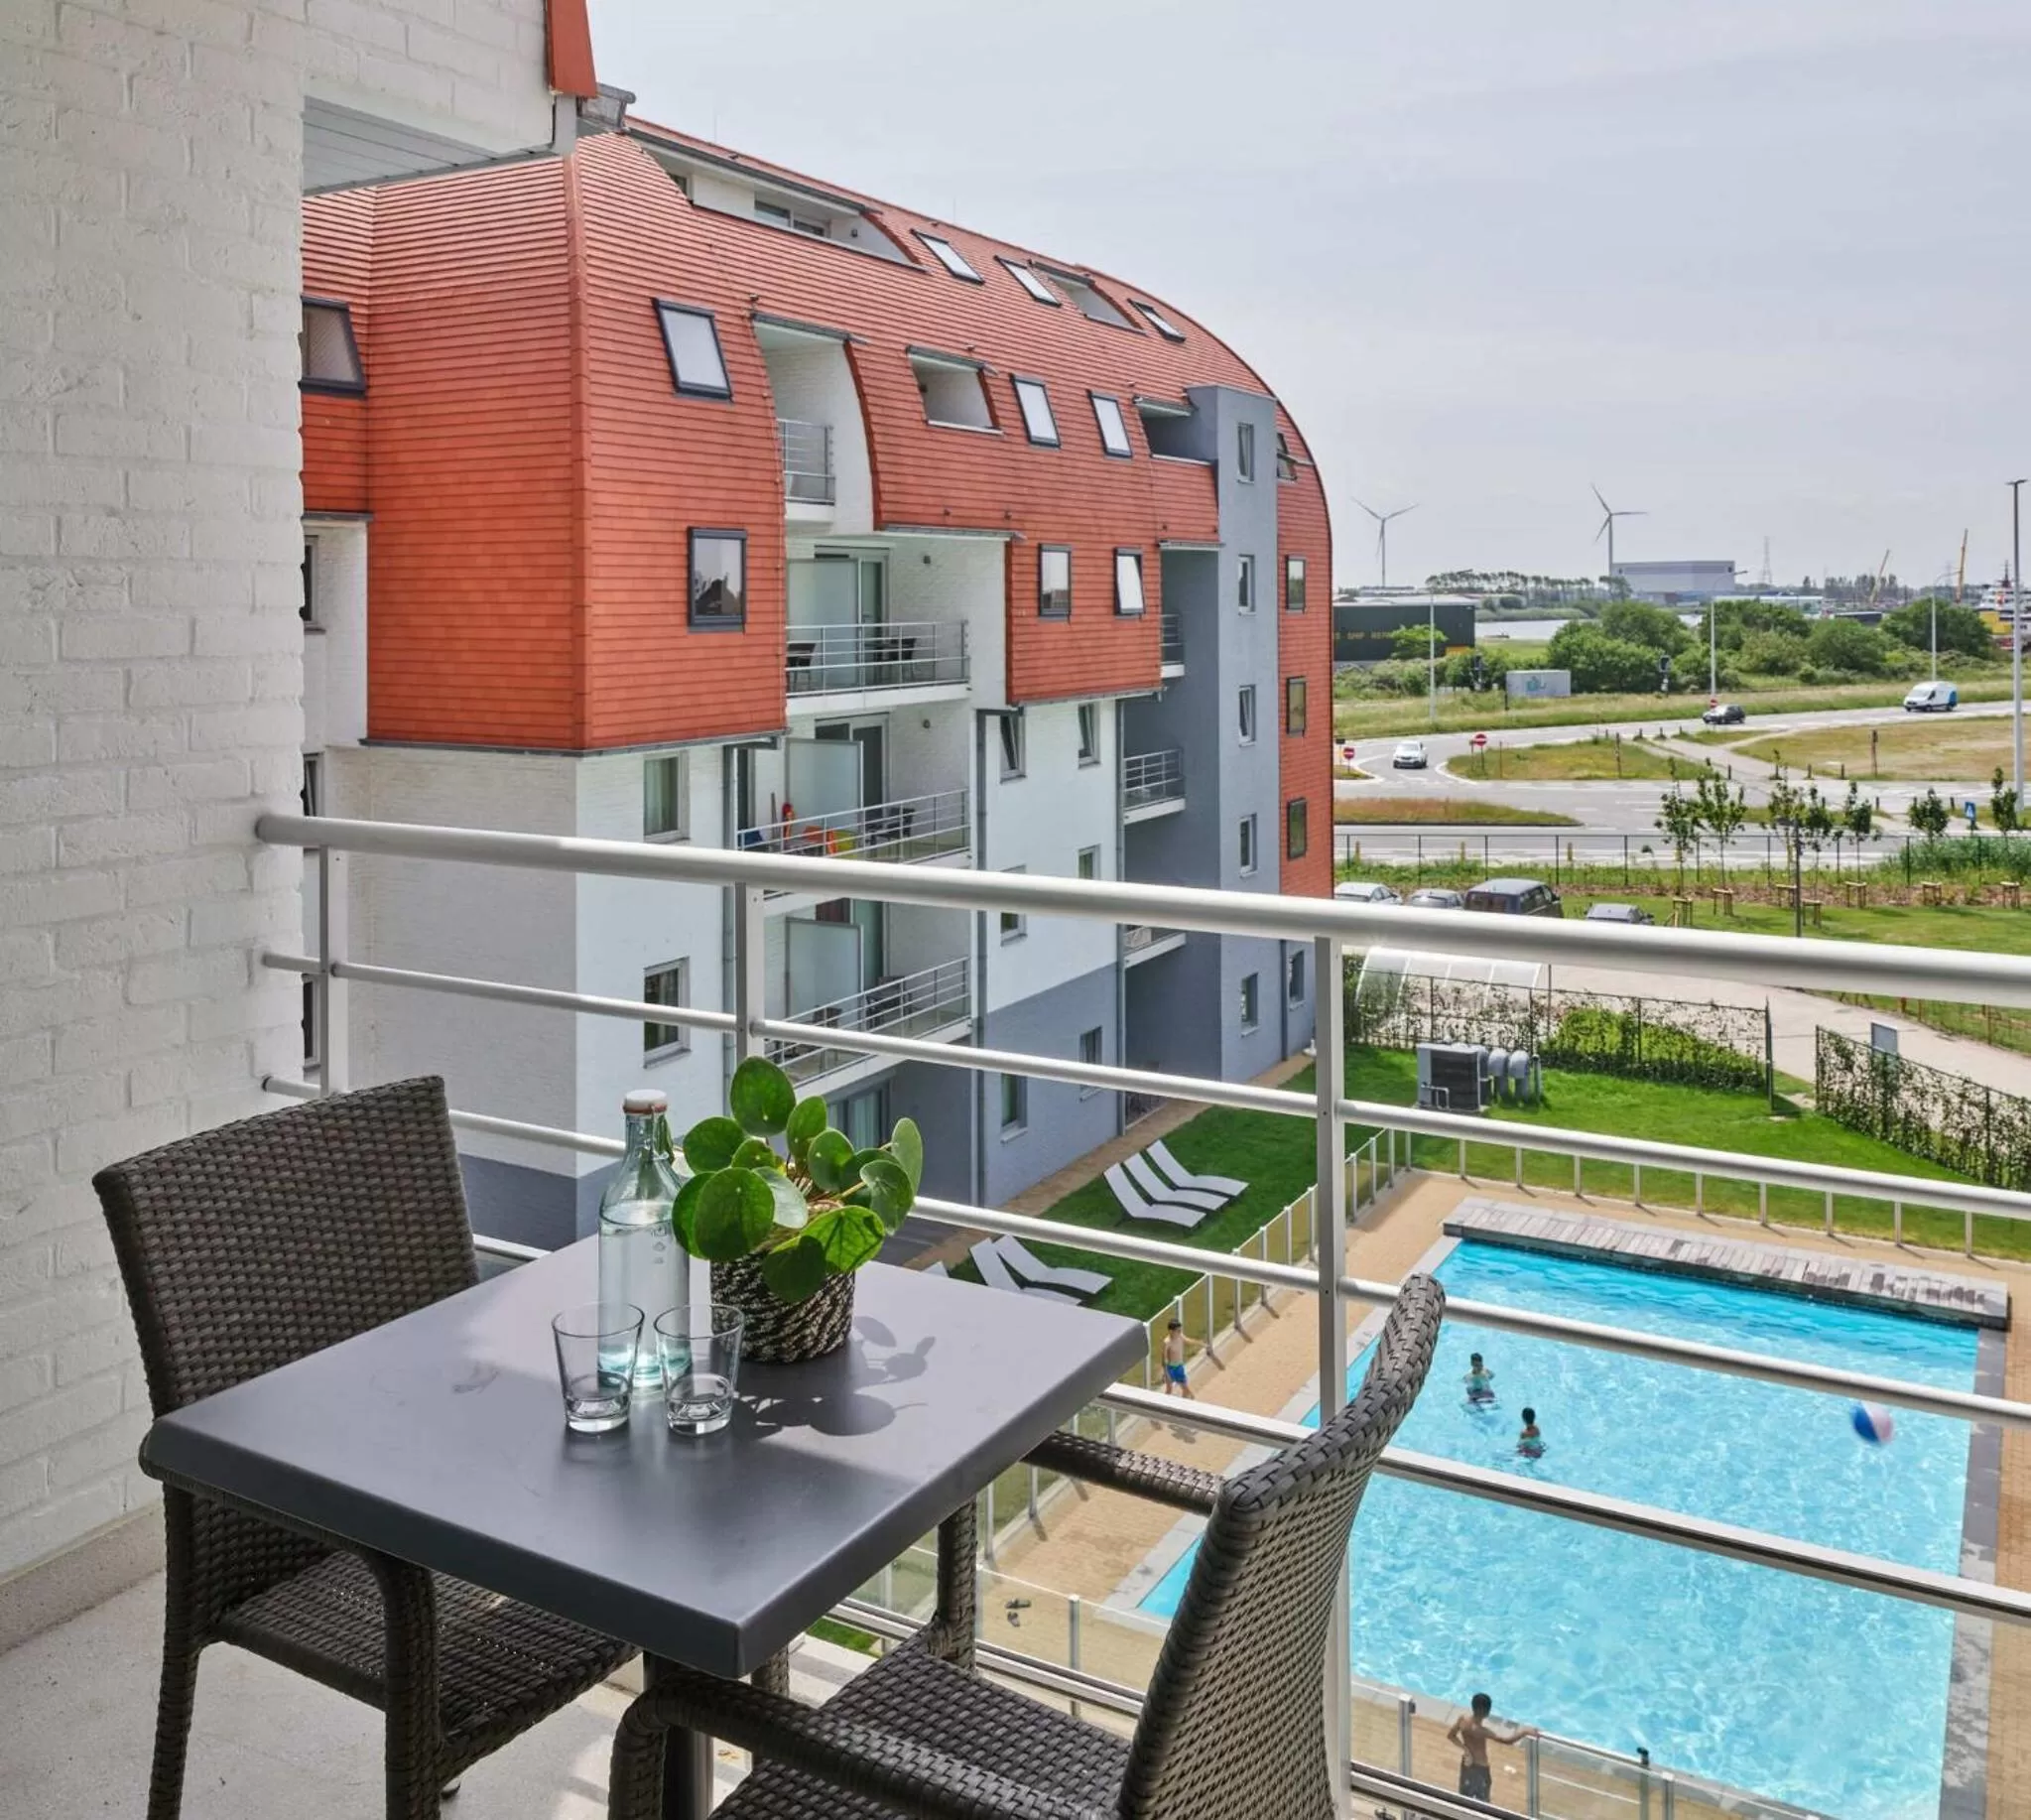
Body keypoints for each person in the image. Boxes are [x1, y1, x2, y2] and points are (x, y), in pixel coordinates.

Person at [1448, 1691, 1539, 1805]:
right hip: (1481, 1768)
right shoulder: (1482, 1731)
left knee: (1464, 1797)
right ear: (1486, 1712)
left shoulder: (1462, 1719)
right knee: (1483, 1801)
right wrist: (1525, 1732)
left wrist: (1466, 1750)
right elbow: (1507, 1741)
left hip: (1466, 1764)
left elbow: (1451, 1736)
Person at [1161, 1320, 1197, 1399]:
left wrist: (1200, 1343)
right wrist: (1166, 1373)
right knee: (1169, 1389)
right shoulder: (1167, 1342)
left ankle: (1184, 1401)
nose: (1180, 1332)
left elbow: (1188, 1341)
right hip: (1170, 1369)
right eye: (1178, 1331)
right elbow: (1164, 1360)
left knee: (1184, 1387)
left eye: (1180, 1330)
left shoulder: (1180, 1336)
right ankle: (1163, 1404)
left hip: (1179, 1367)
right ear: (1171, 1331)